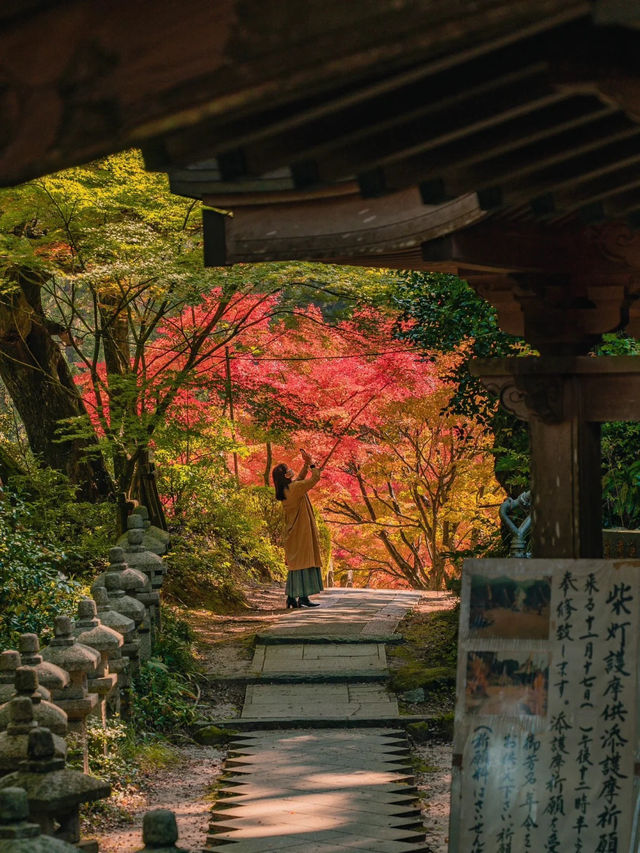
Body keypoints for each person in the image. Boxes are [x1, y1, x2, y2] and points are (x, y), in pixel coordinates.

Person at [272, 449, 323, 609]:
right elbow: (314, 479)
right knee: (303, 564)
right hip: (300, 533)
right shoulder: (294, 489)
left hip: (294, 533)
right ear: (286, 475)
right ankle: (302, 597)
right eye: (288, 470)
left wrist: (306, 464)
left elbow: (299, 479)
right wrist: (313, 464)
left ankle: (293, 598)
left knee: (296, 567)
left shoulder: (287, 490)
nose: (290, 471)